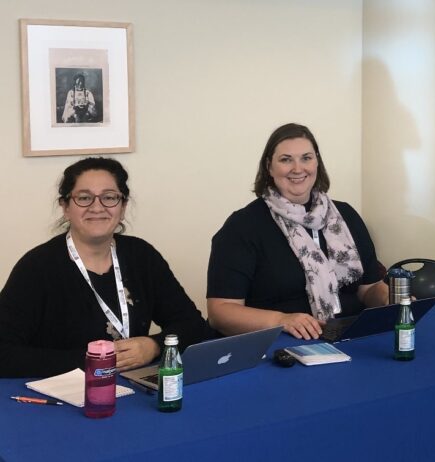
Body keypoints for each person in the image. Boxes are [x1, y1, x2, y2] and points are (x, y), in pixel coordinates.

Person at [0, 158, 214, 378]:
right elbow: (4, 353)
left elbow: (192, 325)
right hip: (64, 394)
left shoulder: (141, 256)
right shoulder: (38, 266)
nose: (97, 207)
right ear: (65, 207)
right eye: (84, 198)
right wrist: (92, 360)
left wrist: (154, 345)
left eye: (109, 197)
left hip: (133, 388)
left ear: (123, 207)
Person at [207, 123, 389, 340]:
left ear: (317, 163)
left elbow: (368, 290)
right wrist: (280, 321)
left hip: (351, 337)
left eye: (306, 158)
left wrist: (391, 298)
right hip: (281, 345)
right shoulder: (242, 226)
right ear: (269, 167)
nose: (297, 168)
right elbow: (220, 311)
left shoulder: (346, 215)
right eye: (286, 159)